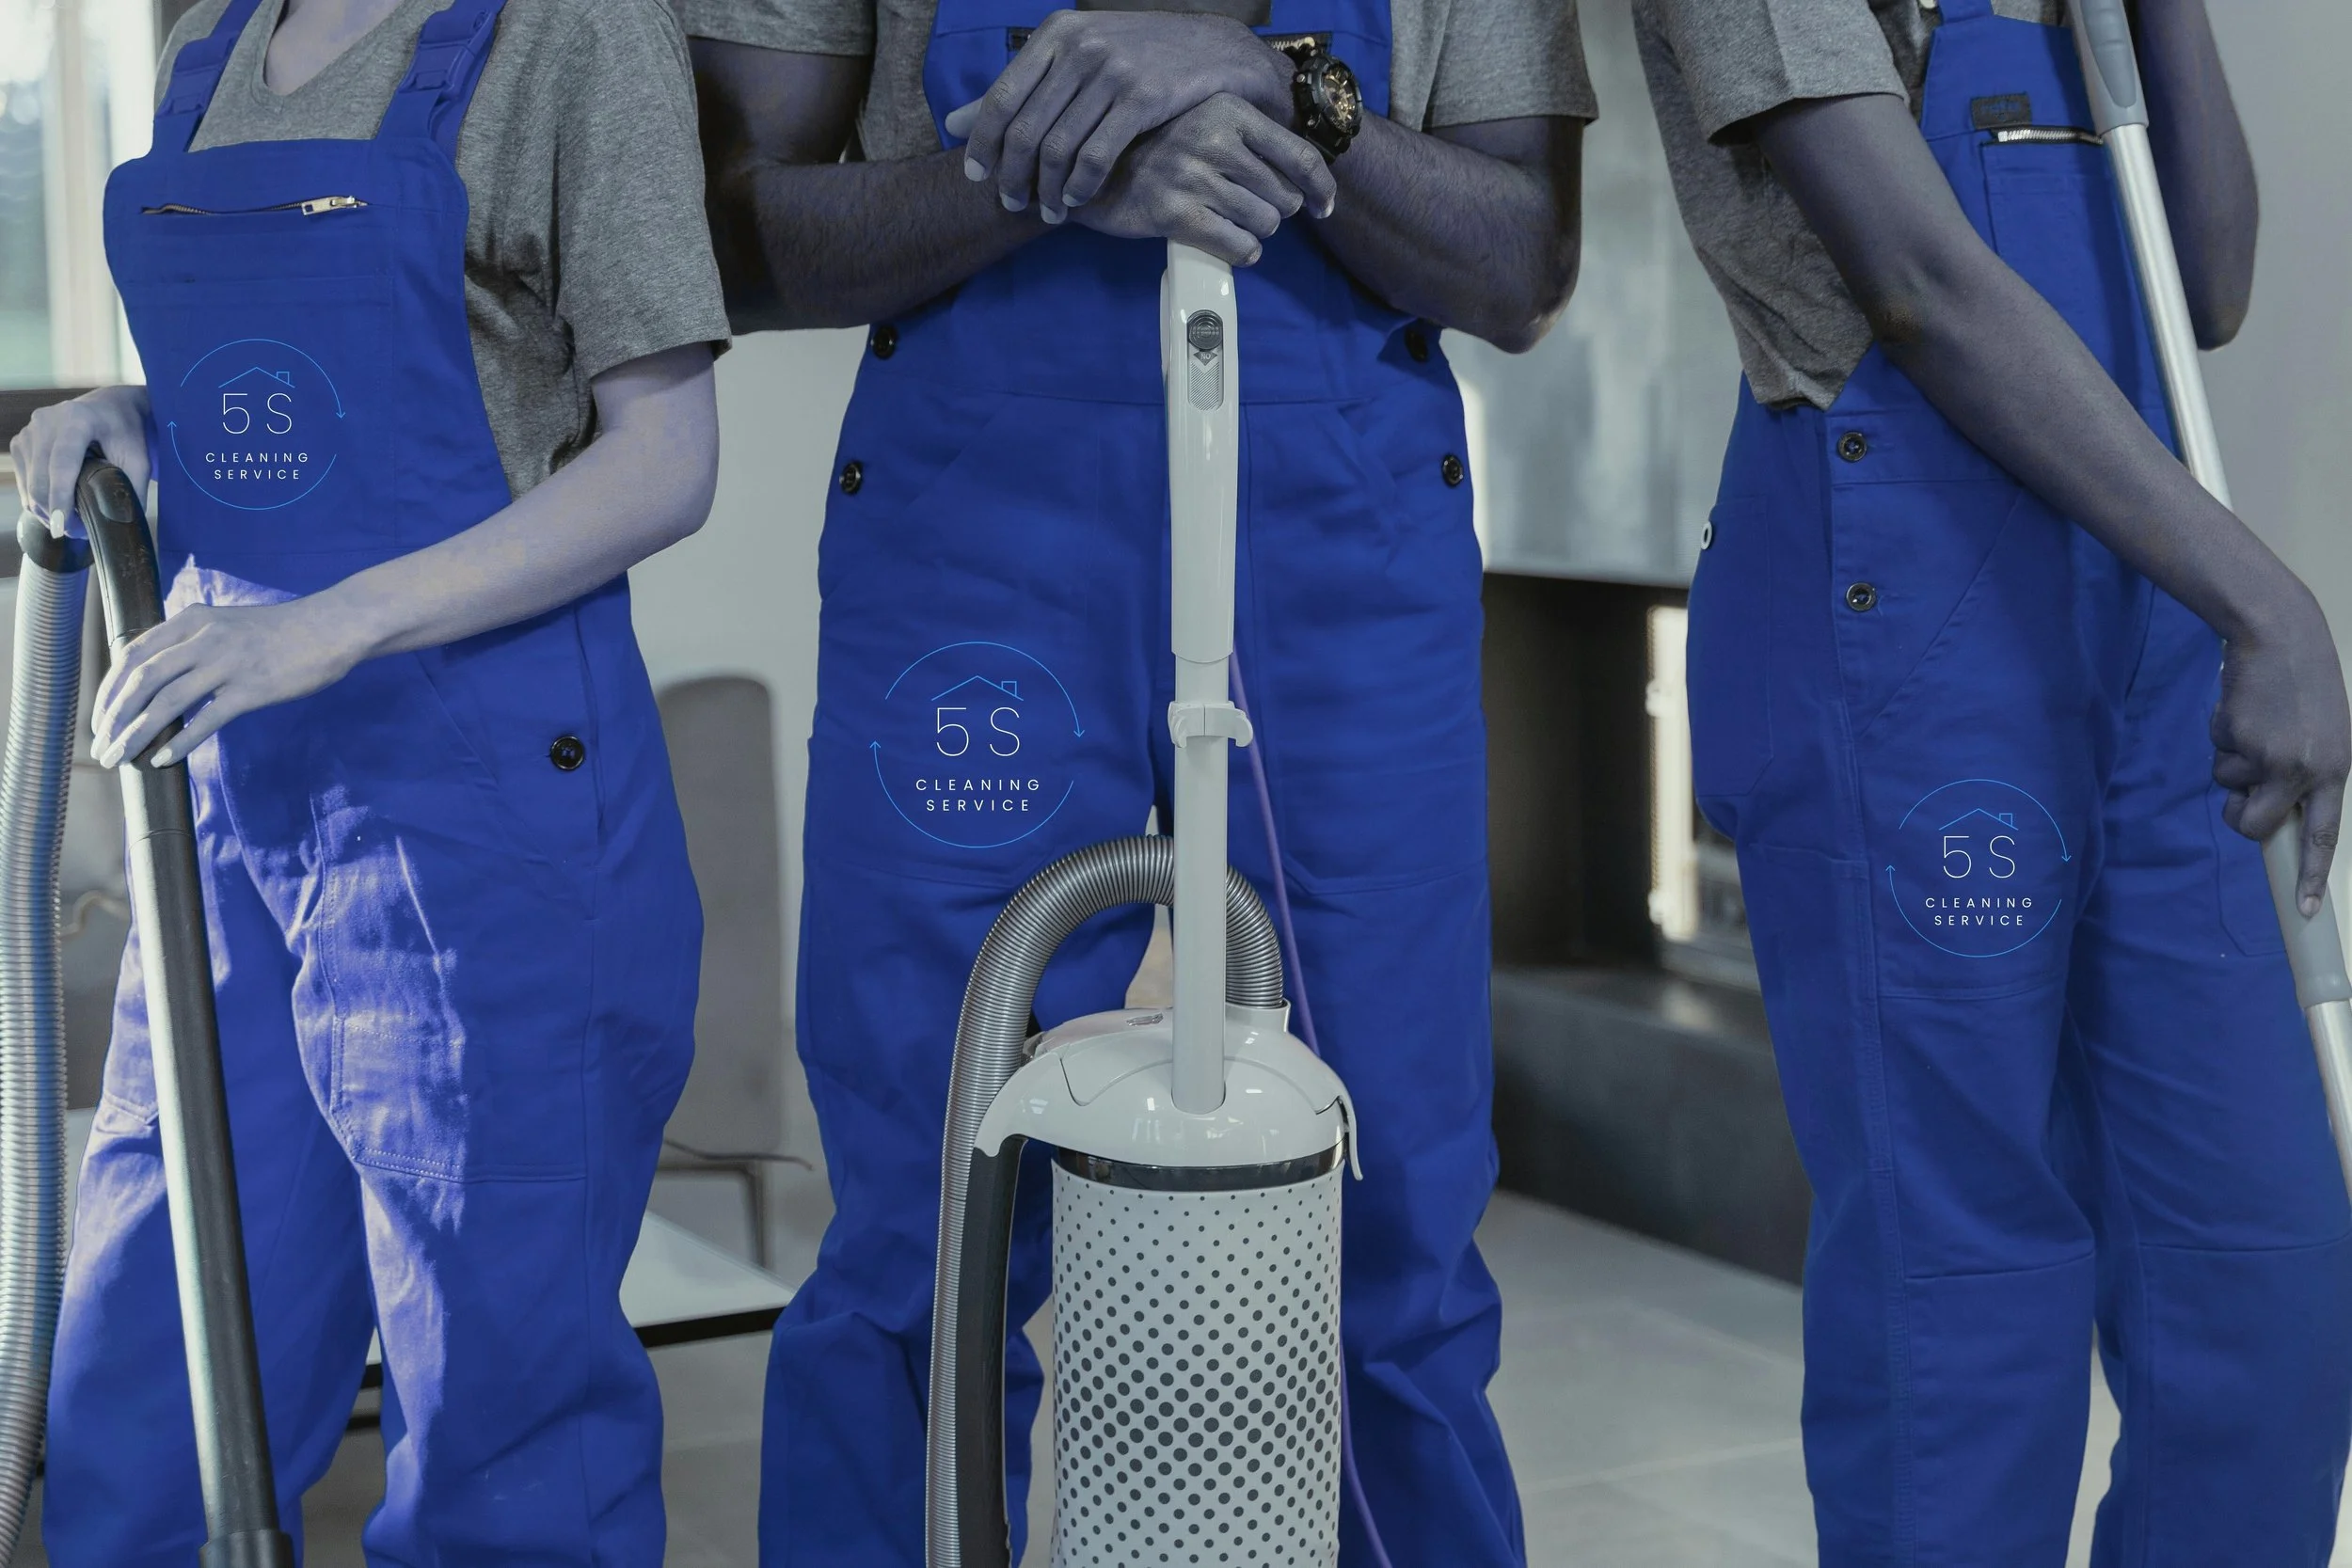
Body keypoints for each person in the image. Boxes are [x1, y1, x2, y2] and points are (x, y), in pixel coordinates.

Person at [684, 1, 1591, 1560]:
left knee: (1392, 1220)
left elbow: (1523, 268)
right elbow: (732, 239)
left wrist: (1278, 86)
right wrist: (1051, 170)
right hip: (978, 551)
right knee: (927, 1219)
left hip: (1346, 557)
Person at [7, 0, 727, 1559]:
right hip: (232, 803)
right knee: (155, 1365)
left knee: (498, 1418)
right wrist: (139, 415)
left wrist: (330, 625)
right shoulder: (208, 49)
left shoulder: (574, 35)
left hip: (483, 815)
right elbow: (276, 401)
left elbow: (667, 458)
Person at [1634, 0, 2352, 1559]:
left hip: (2146, 629)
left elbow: (2207, 282)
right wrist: (2267, 601)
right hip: (1905, 616)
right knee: (1960, 1316)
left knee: (2264, 1278)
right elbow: (1917, 281)